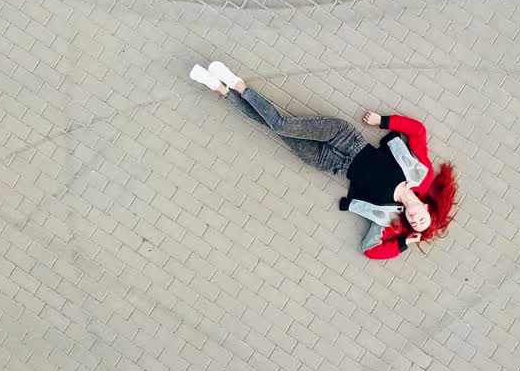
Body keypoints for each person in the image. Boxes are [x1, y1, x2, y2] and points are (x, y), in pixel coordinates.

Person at [190, 61, 457, 259]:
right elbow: (418, 131)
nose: (416, 219)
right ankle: (238, 84)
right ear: (425, 206)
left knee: (272, 128)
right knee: (282, 124)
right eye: (422, 218)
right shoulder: (420, 175)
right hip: (346, 138)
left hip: (330, 163)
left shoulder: (388, 218)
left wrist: (403, 243)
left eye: (416, 224)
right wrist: (382, 121)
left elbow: (370, 250)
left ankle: (222, 91)